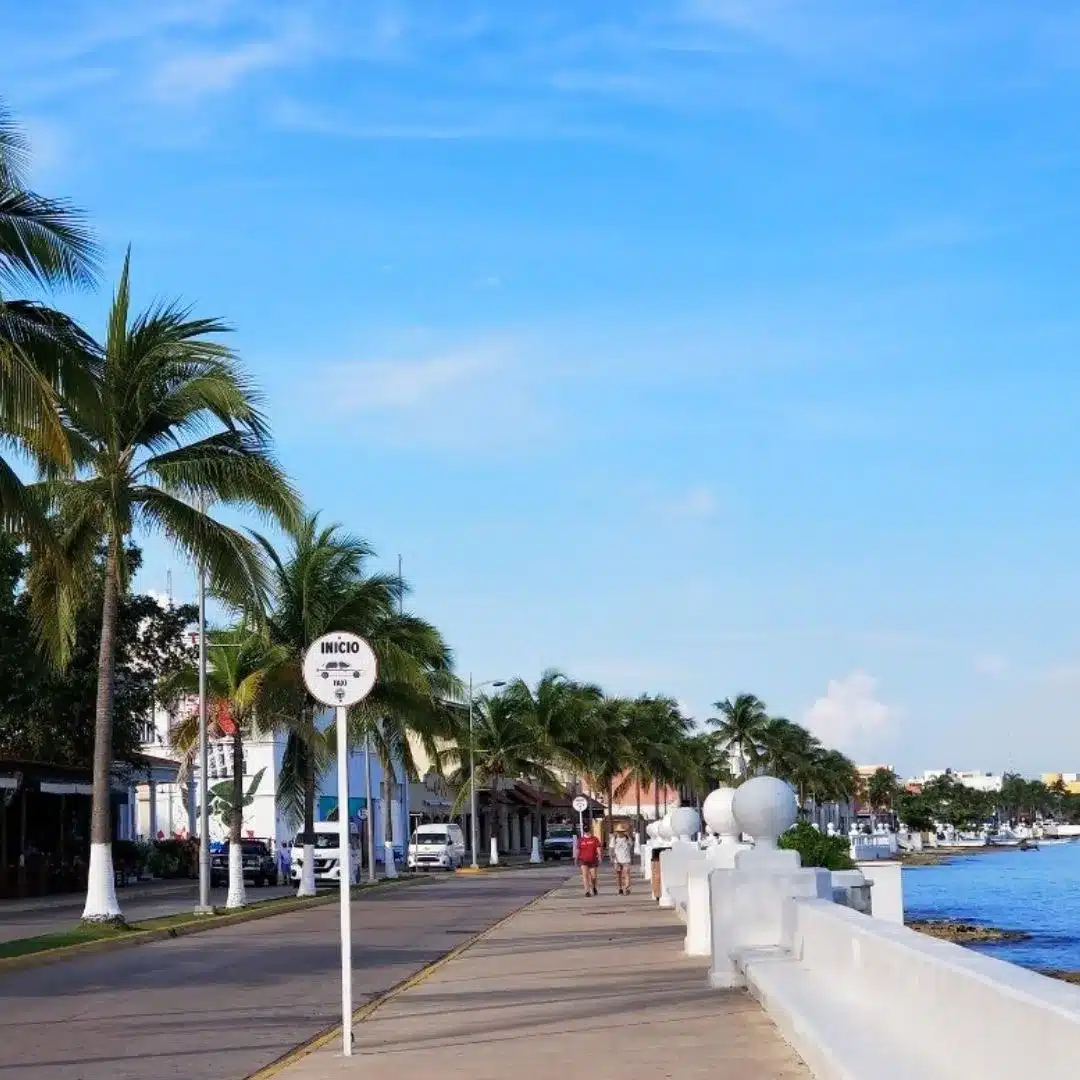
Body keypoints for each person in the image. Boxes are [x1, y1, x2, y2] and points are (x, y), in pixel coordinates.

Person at [577, 828, 600, 896]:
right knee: (585, 876)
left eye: (588, 830)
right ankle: (587, 891)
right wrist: (576, 858)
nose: (587, 832)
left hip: (593, 860)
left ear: (590, 830)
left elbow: (598, 847)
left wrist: (599, 855)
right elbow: (578, 849)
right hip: (583, 860)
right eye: (585, 831)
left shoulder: (595, 839)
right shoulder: (581, 839)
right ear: (584, 831)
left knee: (594, 877)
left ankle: (594, 887)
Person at [611, 825, 634, 895]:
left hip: (626, 859)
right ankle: (620, 888)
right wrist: (612, 857)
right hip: (617, 860)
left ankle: (627, 888)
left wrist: (632, 858)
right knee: (619, 875)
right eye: (619, 832)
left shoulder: (627, 838)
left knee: (627, 874)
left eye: (622, 831)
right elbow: (611, 848)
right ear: (617, 832)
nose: (620, 833)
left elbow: (631, 848)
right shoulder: (614, 838)